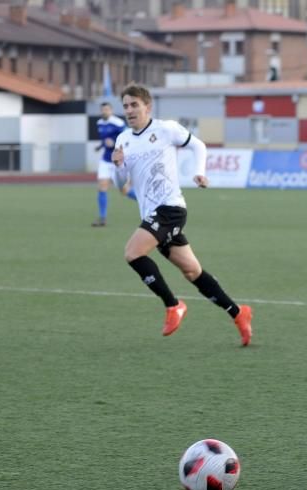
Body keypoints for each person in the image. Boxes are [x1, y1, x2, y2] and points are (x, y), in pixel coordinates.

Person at [111, 83, 253, 345]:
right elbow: (121, 183)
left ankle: (173, 305)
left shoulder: (166, 129)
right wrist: (118, 165)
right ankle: (238, 313)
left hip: (171, 208)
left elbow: (198, 145)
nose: (130, 110)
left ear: (147, 107)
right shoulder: (123, 140)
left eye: (134, 105)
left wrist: (200, 171)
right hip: (152, 213)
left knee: (133, 253)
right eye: (126, 106)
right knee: (192, 271)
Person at [94, 101, 136, 226]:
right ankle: (102, 218)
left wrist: (114, 143)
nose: (104, 112)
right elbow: (104, 139)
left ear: (111, 111)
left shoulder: (118, 123)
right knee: (102, 187)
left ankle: (148, 203)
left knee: (124, 191)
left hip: (117, 161)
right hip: (105, 160)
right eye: (102, 110)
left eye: (107, 109)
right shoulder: (99, 123)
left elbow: (128, 137)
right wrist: (101, 146)